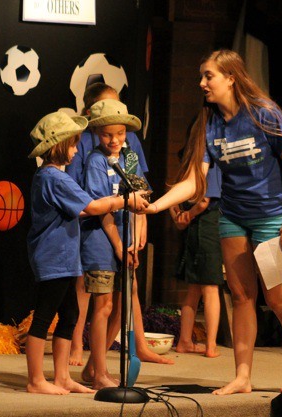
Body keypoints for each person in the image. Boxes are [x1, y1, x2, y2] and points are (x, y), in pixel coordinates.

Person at [142, 49, 282, 394]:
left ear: (231, 78)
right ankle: (242, 377)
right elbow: (194, 181)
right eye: (201, 77)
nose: (202, 83)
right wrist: (157, 207)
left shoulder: (263, 113)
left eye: (209, 76)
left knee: (277, 299)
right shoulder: (209, 122)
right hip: (232, 216)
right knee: (241, 297)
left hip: (269, 216)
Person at [25, 111, 147, 395]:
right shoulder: (53, 177)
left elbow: (80, 208)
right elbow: (91, 207)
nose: (77, 149)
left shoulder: (55, 177)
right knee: (44, 317)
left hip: (66, 259)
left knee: (69, 315)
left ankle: (63, 377)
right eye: (72, 144)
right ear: (58, 146)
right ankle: (35, 380)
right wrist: (124, 200)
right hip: (53, 258)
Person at [66, 83, 174, 369]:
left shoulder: (130, 154)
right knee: (95, 295)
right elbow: (102, 207)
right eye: (108, 134)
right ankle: (86, 353)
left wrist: (139, 229)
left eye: (120, 133)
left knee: (123, 297)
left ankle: (95, 364)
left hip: (125, 235)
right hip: (101, 234)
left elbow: (140, 193)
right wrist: (118, 243)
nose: (115, 140)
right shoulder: (93, 159)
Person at [170, 157, 223, 358]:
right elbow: (203, 202)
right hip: (207, 227)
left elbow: (173, 195)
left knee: (193, 288)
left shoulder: (187, 164)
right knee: (210, 288)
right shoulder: (211, 164)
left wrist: (180, 216)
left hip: (194, 230)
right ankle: (211, 345)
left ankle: (184, 341)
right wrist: (188, 215)